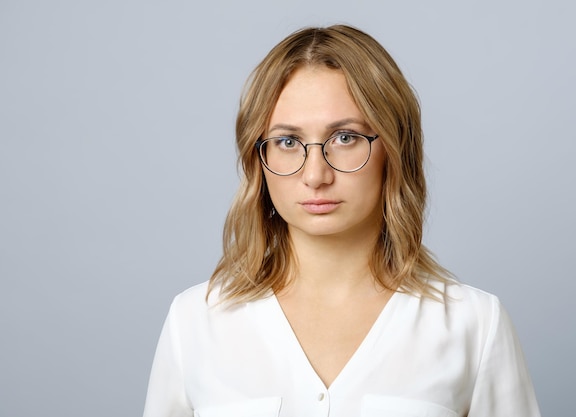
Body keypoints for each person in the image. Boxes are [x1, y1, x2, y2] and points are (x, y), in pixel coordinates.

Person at [143, 24, 541, 417]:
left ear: (395, 148)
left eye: (345, 138)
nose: (315, 175)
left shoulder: (472, 325)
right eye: (287, 142)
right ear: (257, 158)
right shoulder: (195, 322)